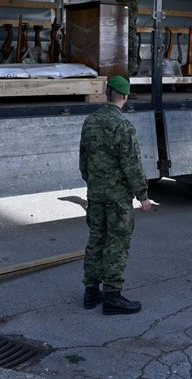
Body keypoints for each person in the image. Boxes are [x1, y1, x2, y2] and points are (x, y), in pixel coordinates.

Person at [79, 75, 153, 314]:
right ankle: (112, 296)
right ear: (124, 96)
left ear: (107, 94)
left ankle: (91, 292)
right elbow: (131, 165)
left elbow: (83, 160)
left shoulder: (90, 121)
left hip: (96, 194)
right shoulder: (123, 126)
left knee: (96, 240)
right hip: (117, 197)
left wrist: (93, 183)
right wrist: (142, 195)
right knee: (117, 243)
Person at [116, 0, 156, 75]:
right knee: (131, 51)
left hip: (128, 23)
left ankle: (127, 78)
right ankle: (127, 78)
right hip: (126, 24)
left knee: (130, 51)